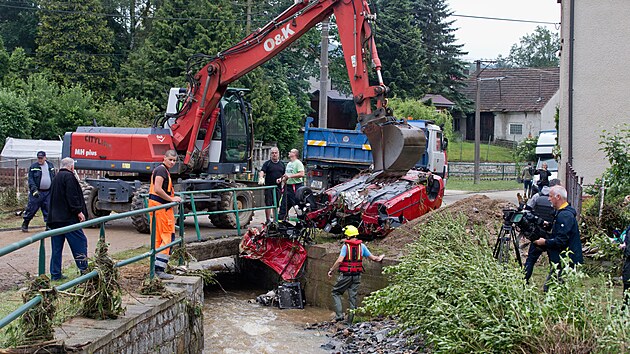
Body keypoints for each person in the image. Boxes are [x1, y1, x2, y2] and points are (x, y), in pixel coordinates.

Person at [327, 225, 384, 323]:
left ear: (348, 236)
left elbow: (340, 260)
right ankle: (350, 322)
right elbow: (374, 258)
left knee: (336, 292)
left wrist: (331, 270)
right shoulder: (362, 246)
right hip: (357, 275)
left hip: (346, 275)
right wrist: (380, 257)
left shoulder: (346, 246)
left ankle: (339, 315)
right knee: (352, 298)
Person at [533, 185, 583, 290]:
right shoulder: (562, 213)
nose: (548, 199)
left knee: (551, 288)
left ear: (558, 197)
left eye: (551, 196)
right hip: (562, 259)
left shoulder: (564, 216)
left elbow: (561, 240)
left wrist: (545, 242)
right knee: (552, 287)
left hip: (566, 260)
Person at [47, 157, 88, 281]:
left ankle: (55, 274)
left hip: (55, 219)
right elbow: (72, 196)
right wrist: (78, 211)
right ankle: (84, 270)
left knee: (56, 248)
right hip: (68, 219)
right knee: (80, 242)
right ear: (72, 167)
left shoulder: (56, 178)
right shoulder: (69, 177)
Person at [148, 150, 182, 280]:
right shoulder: (161, 171)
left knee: (157, 239)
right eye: (170, 160)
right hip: (162, 209)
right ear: (164, 158)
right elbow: (157, 188)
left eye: (174, 160)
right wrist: (171, 199)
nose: (172, 162)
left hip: (157, 208)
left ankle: (155, 267)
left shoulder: (161, 170)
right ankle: (159, 269)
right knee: (168, 238)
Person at [522, 178, 561, 283]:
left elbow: (526, 212)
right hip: (551, 236)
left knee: (530, 260)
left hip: (538, 234)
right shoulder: (558, 199)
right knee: (555, 263)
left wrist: (537, 221)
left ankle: (522, 282)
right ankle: (552, 286)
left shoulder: (537, 197)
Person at [22, 151, 56, 232]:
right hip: (37, 192)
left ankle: (48, 225)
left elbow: (54, 177)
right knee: (31, 208)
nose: (40, 160)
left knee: (48, 208)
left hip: (48, 192)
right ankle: (25, 223)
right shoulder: (33, 167)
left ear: (45, 157)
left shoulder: (50, 165)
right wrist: (34, 190)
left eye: (41, 158)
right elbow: (31, 180)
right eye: (38, 158)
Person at [258, 147, 285, 223]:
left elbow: (284, 175)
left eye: (276, 153)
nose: (274, 154)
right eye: (272, 153)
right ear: (270, 154)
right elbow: (262, 171)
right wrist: (261, 177)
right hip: (269, 187)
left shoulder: (282, 164)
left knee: (276, 204)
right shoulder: (267, 163)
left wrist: (281, 179)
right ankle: (268, 220)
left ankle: (275, 220)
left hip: (278, 188)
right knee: (268, 203)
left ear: (278, 154)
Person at [277, 149, 305, 221]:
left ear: (295, 154)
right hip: (288, 187)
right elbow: (287, 174)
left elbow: (302, 174)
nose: (289, 153)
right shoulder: (289, 163)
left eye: (291, 152)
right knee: (284, 204)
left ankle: (301, 222)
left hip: (295, 186)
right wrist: (281, 178)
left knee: (297, 206)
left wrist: (290, 176)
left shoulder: (298, 163)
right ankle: (281, 221)